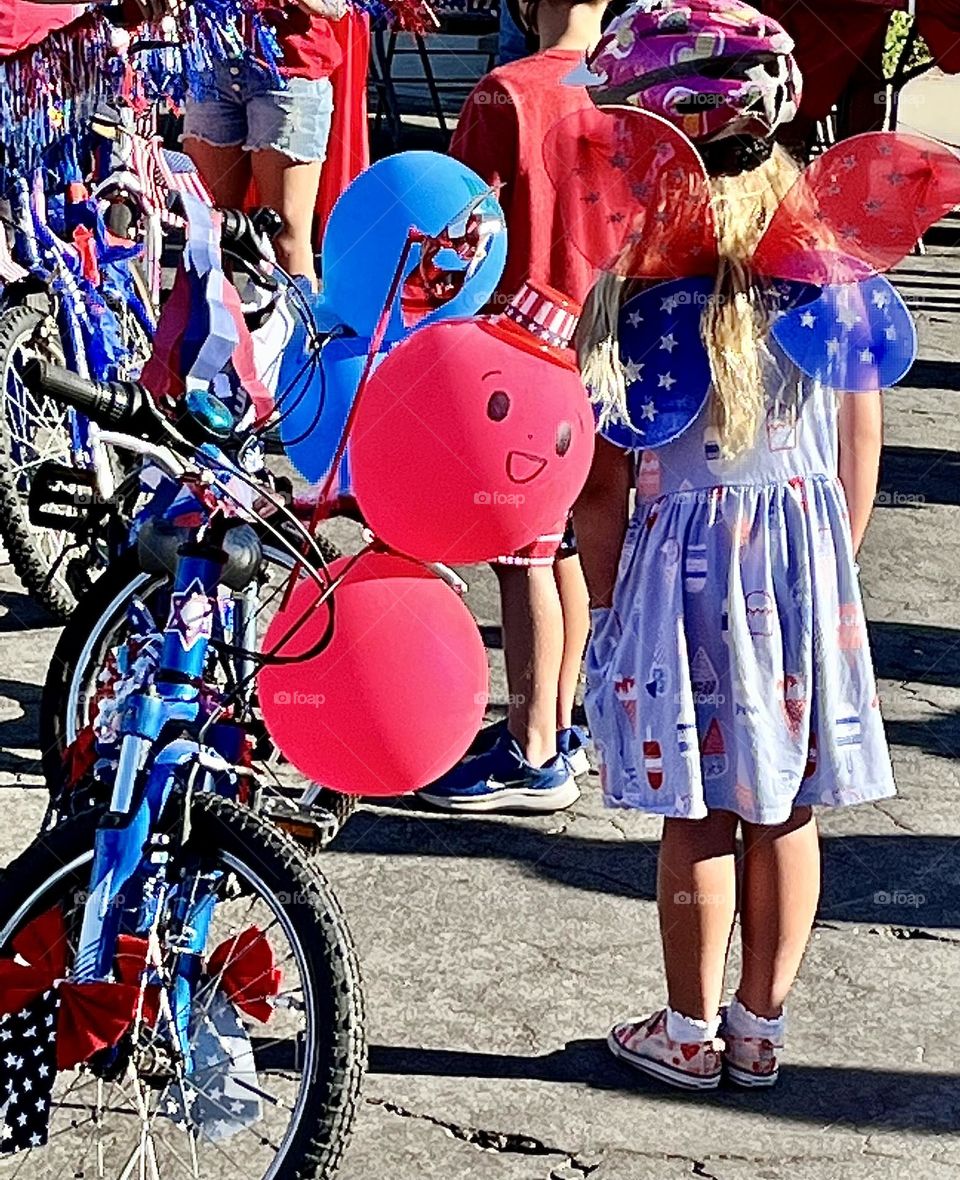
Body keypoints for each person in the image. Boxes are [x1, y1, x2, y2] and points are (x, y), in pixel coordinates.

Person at [573, 0, 896, 1089]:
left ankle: (689, 1026)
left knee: (698, 810)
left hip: (681, 579)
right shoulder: (826, 267)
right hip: (804, 562)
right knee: (787, 807)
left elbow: (604, 485)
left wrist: (611, 607)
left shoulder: (635, 288)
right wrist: (830, 569)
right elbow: (860, 437)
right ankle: (761, 1028)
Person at [417, 0, 611, 813]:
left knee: (521, 549)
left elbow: (461, 231)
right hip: (605, 348)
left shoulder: (508, 92)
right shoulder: (630, 88)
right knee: (559, 542)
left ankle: (532, 751)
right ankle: (558, 723)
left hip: (521, 349)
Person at [183, 0, 346, 287]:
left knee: (283, 237)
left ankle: (297, 330)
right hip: (210, 70)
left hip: (290, 73)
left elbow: (335, 6)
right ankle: (210, 330)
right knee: (208, 232)